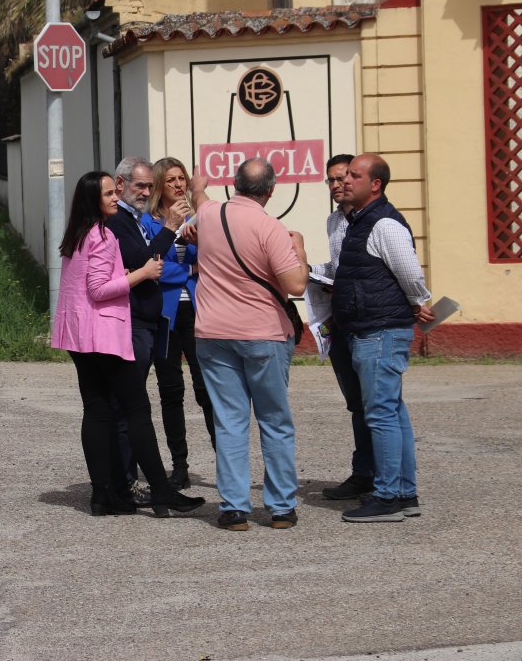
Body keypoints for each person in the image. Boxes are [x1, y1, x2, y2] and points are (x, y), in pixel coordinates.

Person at [51, 171, 204, 517]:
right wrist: (142, 274)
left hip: (79, 335)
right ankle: (161, 491)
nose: (114, 199)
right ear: (93, 200)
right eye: (108, 194)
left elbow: (84, 285)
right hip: (103, 333)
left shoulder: (76, 234)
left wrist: (126, 273)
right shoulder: (102, 234)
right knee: (136, 410)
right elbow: (98, 290)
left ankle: (103, 495)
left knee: (97, 411)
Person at [189, 158, 309, 530]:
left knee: (229, 421)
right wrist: (300, 250)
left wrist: (197, 185)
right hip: (262, 332)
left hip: (213, 331)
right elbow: (296, 284)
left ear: (235, 184)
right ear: (270, 190)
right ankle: (281, 507)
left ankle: (234, 508)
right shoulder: (271, 227)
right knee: (274, 420)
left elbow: (200, 199)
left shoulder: (210, 214)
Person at [333, 153, 434, 523]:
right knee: (391, 412)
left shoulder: (384, 224)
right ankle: (404, 494)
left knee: (381, 415)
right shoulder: (359, 221)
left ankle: (388, 496)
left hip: (378, 331)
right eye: (345, 175)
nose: (345, 181)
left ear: (375, 184)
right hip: (371, 329)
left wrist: (419, 301)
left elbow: (411, 274)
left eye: (354, 176)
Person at [107, 156, 187, 502]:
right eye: (140, 185)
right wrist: (170, 228)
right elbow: (145, 261)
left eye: (149, 186)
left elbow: (153, 261)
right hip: (134, 322)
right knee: (128, 406)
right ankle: (125, 483)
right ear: (120, 184)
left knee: (138, 404)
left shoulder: (135, 219)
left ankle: (136, 480)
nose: (145, 192)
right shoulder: (119, 221)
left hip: (150, 321)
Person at [145, 158, 216, 489]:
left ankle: (226, 463)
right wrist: (189, 269)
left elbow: (217, 257)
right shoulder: (148, 222)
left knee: (207, 389)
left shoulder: (199, 217)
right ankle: (180, 466)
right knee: (171, 390)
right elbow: (151, 265)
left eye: (181, 178)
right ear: (159, 185)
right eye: (170, 179)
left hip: (200, 311)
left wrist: (199, 245)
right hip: (166, 314)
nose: (177, 184)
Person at [310, 153, 376, 501]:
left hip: (370, 321)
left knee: (378, 404)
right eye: (331, 180)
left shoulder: (377, 220)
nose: (337, 185)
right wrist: (312, 271)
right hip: (341, 320)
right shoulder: (334, 221)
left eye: (342, 178)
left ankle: (386, 479)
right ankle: (363, 473)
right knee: (356, 403)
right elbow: (339, 267)